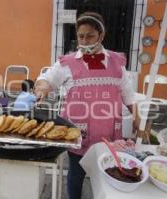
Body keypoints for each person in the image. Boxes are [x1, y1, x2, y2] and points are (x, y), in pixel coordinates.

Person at [34, 12, 136, 199]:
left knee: (108, 172)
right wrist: (42, 88)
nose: (85, 40)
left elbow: (128, 94)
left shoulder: (116, 62)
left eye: (90, 35)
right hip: (79, 130)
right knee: (76, 173)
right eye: (81, 36)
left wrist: (138, 119)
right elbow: (47, 79)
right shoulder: (67, 63)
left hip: (109, 131)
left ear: (101, 35)